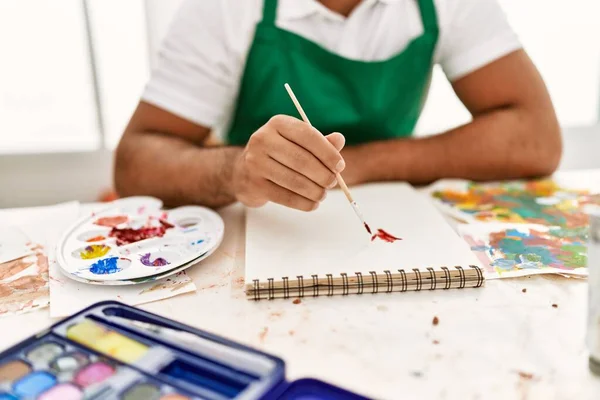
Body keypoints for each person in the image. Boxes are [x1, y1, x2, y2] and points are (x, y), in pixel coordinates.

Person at [115, 0, 562, 211]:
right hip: (262, 222)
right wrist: (236, 171)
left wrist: (361, 163)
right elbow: (136, 161)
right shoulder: (221, 9)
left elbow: (536, 137)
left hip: (390, 219)